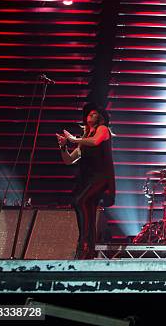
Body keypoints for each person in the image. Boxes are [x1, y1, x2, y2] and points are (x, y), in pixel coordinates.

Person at [56, 103, 115, 259]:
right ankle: (87, 248)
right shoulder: (84, 140)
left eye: (94, 113)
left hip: (101, 177)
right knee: (86, 207)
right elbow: (69, 160)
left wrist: (74, 139)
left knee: (79, 201)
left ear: (100, 118)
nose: (91, 115)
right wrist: (63, 147)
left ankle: (84, 243)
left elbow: (95, 142)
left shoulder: (102, 130)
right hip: (89, 179)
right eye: (89, 113)